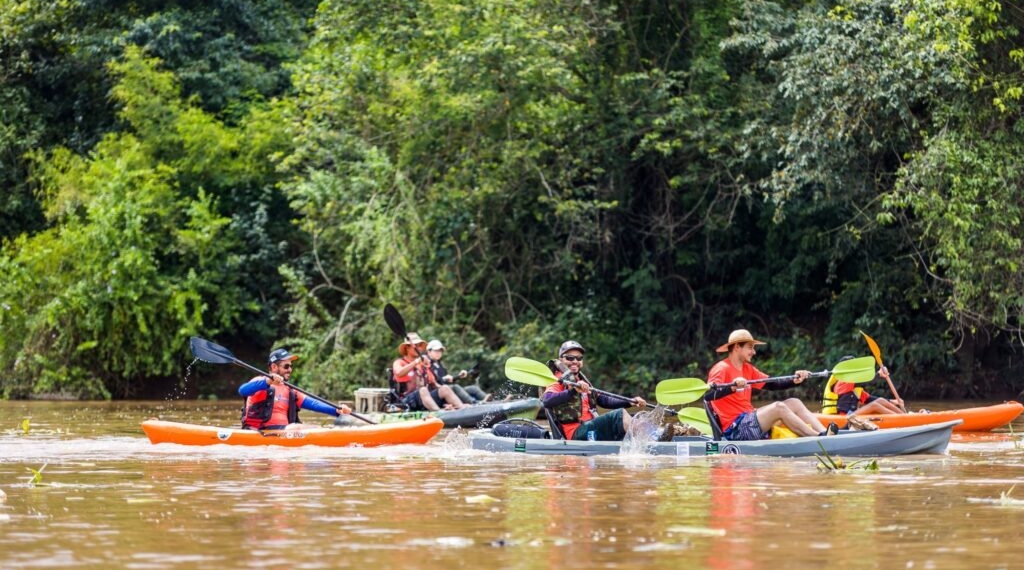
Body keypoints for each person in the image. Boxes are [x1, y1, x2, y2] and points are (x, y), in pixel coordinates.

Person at [705, 329, 835, 439]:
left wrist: (794, 380)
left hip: (749, 419)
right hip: (736, 430)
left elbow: (772, 384)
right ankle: (818, 439)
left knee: (794, 402)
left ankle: (825, 434)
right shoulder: (721, 368)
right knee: (778, 407)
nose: (754, 352)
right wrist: (732, 387)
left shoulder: (747, 368)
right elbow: (708, 395)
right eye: (750, 347)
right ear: (737, 347)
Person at [541, 340, 656, 441]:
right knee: (619, 415)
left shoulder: (581, 380)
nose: (575, 361)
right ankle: (653, 441)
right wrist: (572, 391)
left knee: (638, 417)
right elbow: (546, 401)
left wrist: (629, 401)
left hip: (590, 427)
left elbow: (603, 400)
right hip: (575, 434)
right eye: (570, 358)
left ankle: (657, 436)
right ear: (561, 359)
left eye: (579, 358)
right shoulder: (557, 380)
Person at [239, 348, 350, 430]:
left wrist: (337, 410)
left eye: (291, 366)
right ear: (274, 367)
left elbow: (314, 403)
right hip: (259, 432)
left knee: (310, 428)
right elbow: (242, 390)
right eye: (286, 366)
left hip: (284, 433)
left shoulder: (290, 390)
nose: (290, 369)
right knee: (295, 428)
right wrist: (267, 382)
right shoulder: (260, 381)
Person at [392, 333, 467, 411]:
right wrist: (416, 362)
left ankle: (462, 409)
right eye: (416, 345)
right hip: (407, 401)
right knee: (423, 390)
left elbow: (434, 384)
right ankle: (439, 414)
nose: (419, 348)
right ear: (407, 347)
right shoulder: (399, 362)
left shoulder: (423, 364)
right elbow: (399, 373)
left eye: (420, 345)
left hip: (424, 399)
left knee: (444, 388)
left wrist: (445, 401)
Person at [822, 355, 904, 417]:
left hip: (851, 414)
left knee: (881, 401)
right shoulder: (842, 382)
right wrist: (879, 374)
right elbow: (865, 381)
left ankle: (904, 415)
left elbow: (869, 399)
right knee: (874, 406)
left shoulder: (854, 389)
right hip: (843, 417)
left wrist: (893, 401)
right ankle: (901, 419)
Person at [425, 339, 491, 404]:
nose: (439, 353)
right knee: (455, 387)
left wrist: (459, 376)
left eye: (440, 351)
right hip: (437, 394)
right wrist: (443, 379)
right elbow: (431, 382)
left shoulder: (439, 365)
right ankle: (474, 402)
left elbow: (448, 379)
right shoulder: (426, 365)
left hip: (447, 390)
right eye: (436, 351)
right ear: (429, 352)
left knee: (473, 388)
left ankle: (491, 400)